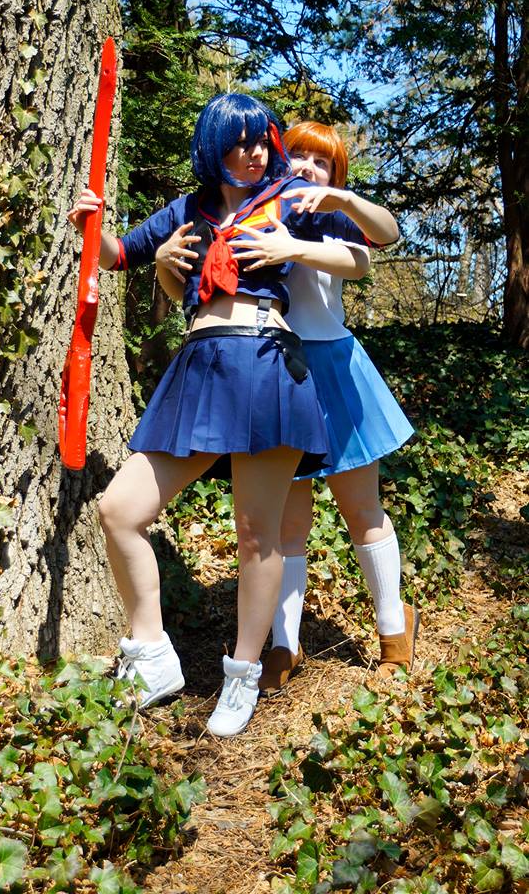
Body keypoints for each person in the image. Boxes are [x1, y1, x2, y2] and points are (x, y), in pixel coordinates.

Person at [66, 94, 371, 737]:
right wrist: (90, 225)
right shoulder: (189, 210)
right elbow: (115, 255)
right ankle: (152, 654)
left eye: (262, 140)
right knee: (119, 510)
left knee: (258, 533)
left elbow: (371, 250)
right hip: (200, 366)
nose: (255, 152)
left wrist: (305, 238)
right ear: (213, 147)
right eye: (240, 141)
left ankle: (243, 674)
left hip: (266, 362)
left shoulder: (291, 198)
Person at [227, 122, 417, 692]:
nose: (308, 166)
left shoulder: (332, 216)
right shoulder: (256, 207)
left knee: (362, 510)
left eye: (323, 160)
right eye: (299, 155)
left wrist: (341, 202)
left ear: (335, 174)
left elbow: (378, 244)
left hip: (335, 370)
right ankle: (284, 645)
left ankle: (394, 630)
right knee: (287, 523)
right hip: (277, 371)